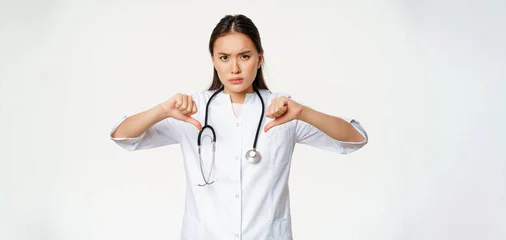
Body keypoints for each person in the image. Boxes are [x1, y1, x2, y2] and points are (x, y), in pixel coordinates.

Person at [110, 14, 368, 240]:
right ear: (213, 60)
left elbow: (354, 139)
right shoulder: (192, 109)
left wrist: (304, 113)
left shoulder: (284, 110)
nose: (234, 68)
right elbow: (123, 136)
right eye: (224, 57)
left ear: (259, 58)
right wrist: (161, 111)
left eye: (244, 56)